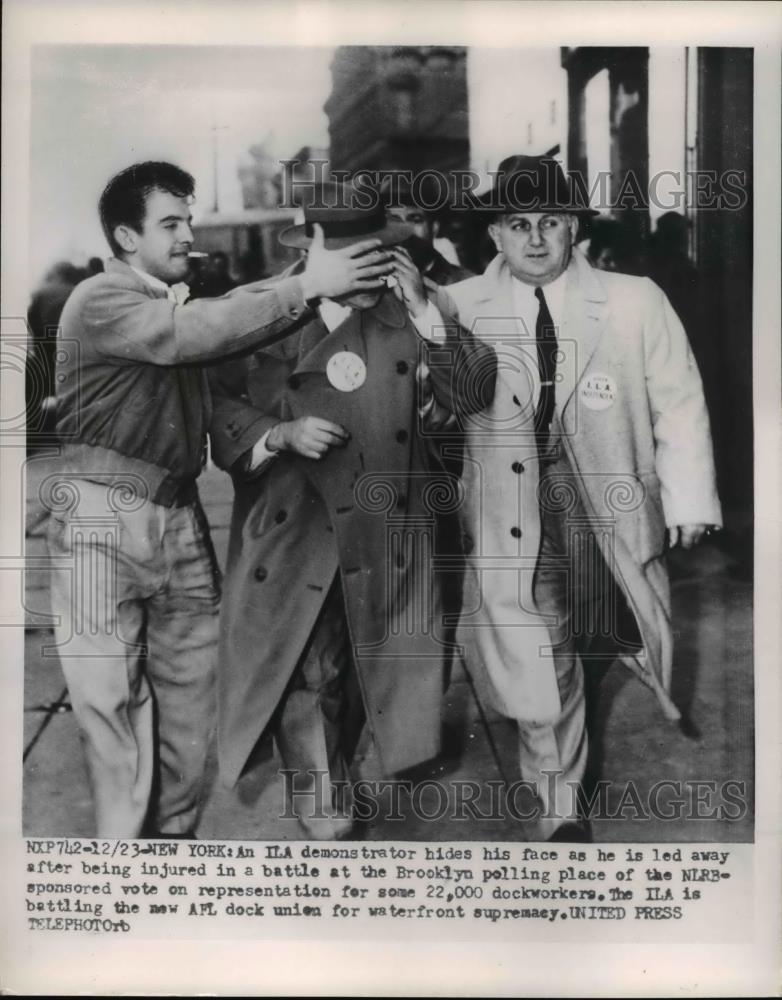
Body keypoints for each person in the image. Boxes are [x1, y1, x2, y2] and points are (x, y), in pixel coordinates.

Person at [46, 160, 396, 839]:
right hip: (101, 521)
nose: (188, 236)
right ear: (124, 237)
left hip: (176, 519)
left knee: (192, 703)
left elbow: (217, 329)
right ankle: (124, 867)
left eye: (188, 221)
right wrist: (307, 283)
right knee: (110, 705)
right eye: (170, 224)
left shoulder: (173, 304)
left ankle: (170, 842)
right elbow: (192, 335)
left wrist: (315, 278)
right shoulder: (101, 299)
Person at [440, 154, 722, 841]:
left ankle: (569, 755)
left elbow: (679, 404)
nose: (535, 239)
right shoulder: (459, 306)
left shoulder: (636, 300)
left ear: (574, 229)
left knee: (607, 638)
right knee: (546, 651)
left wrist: (688, 501)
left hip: (607, 507)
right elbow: (436, 414)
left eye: (551, 222)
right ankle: (560, 809)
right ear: (496, 236)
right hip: (512, 513)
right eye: (518, 224)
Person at [208, 181, 496, 838]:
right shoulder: (257, 314)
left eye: (379, 258)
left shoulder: (413, 310)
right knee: (307, 667)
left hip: (389, 525)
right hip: (297, 526)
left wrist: (426, 312)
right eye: (351, 263)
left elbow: (477, 390)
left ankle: (344, 763)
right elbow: (216, 406)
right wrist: (274, 434)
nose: (369, 279)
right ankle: (324, 801)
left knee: (379, 667)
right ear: (314, 251)